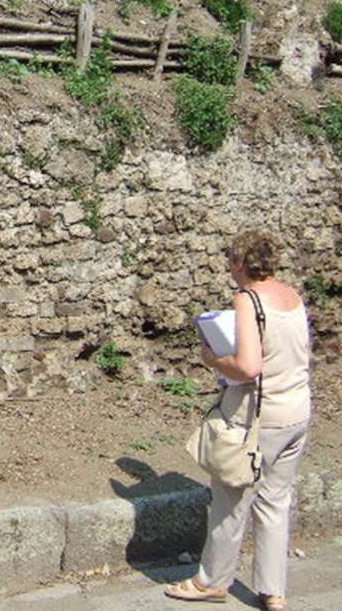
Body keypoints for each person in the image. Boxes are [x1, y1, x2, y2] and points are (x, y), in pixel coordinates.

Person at [165, 230, 313, 611]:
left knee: (230, 499)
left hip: (258, 418)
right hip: (296, 412)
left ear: (240, 263)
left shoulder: (247, 301)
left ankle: (211, 581)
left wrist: (212, 359)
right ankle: (273, 591)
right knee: (275, 502)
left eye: (231, 261)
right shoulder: (291, 296)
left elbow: (248, 367)